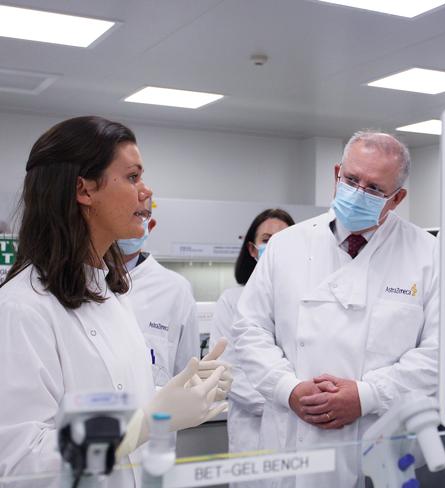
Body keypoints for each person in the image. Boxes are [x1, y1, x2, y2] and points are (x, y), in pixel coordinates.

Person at [0, 116, 230, 486]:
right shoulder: (22, 307)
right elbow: (22, 463)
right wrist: (144, 423)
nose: (146, 192)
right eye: (132, 177)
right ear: (84, 190)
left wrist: (176, 394)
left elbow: (110, 397)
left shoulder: (108, 293)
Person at [232, 130, 439, 488]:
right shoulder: (285, 246)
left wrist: (366, 395)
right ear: (336, 174)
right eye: (351, 179)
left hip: (380, 446)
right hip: (291, 442)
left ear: (398, 198)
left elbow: (440, 355)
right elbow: (249, 331)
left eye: (374, 189)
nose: (358, 193)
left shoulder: (428, 254)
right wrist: (288, 389)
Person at [210, 209, 295, 459]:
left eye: (285, 238)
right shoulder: (232, 301)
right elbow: (228, 371)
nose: (276, 246)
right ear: (252, 249)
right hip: (252, 432)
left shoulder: (309, 302)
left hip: (300, 431)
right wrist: (287, 402)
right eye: (267, 239)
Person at [118, 210, 201, 387]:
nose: (129, 222)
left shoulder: (177, 289)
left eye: (139, 214)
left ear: (150, 225)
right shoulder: (78, 280)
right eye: (123, 214)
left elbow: (187, 375)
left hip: (157, 414)